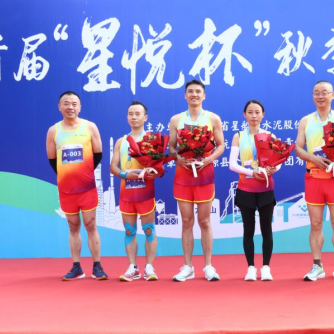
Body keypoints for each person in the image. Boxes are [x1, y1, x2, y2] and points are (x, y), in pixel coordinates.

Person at [295, 80, 334, 281]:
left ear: (333, 95)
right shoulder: (306, 121)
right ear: (313, 96)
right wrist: (314, 158)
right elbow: (298, 148)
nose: (320, 96)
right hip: (314, 176)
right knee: (315, 224)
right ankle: (317, 266)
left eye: (324, 92)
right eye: (316, 93)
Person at [168, 79, 225, 281]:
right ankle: (187, 266)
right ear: (185, 95)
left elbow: (221, 145)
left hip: (204, 173)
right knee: (186, 221)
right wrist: (178, 158)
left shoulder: (213, 118)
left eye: (198, 91)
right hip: (183, 174)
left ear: (204, 95)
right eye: (190, 91)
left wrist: (208, 159)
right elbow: (171, 147)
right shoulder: (176, 120)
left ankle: (208, 266)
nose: (194, 94)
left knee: (204, 221)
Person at [45, 91, 107, 280]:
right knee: (73, 226)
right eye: (66, 103)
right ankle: (76, 267)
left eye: (74, 104)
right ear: (59, 107)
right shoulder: (53, 131)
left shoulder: (90, 127)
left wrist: (83, 173)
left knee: (90, 224)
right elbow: (52, 159)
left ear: (80, 107)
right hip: (66, 189)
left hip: (87, 188)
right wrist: (68, 176)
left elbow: (98, 154)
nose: (70, 107)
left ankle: (97, 266)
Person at [228, 100, 279, 281]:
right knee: (248, 230)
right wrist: (252, 172)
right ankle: (250, 267)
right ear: (245, 115)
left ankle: (266, 267)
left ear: (263, 115)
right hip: (246, 188)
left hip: (265, 188)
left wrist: (272, 169)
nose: (254, 116)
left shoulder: (270, 136)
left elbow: (277, 162)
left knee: (266, 229)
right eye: (250, 112)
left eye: (257, 112)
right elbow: (232, 164)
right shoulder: (238, 136)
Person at [109, 101, 160, 281]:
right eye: (131, 114)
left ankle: (149, 267)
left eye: (138, 114)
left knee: (148, 229)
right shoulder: (121, 142)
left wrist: (153, 172)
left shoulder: (152, 140)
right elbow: (113, 167)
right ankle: (132, 267)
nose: (134, 117)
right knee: (129, 230)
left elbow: (158, 168)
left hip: (145, 193)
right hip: (127, 194)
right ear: (127, 117)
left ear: (145, 118)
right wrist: (125, 174)